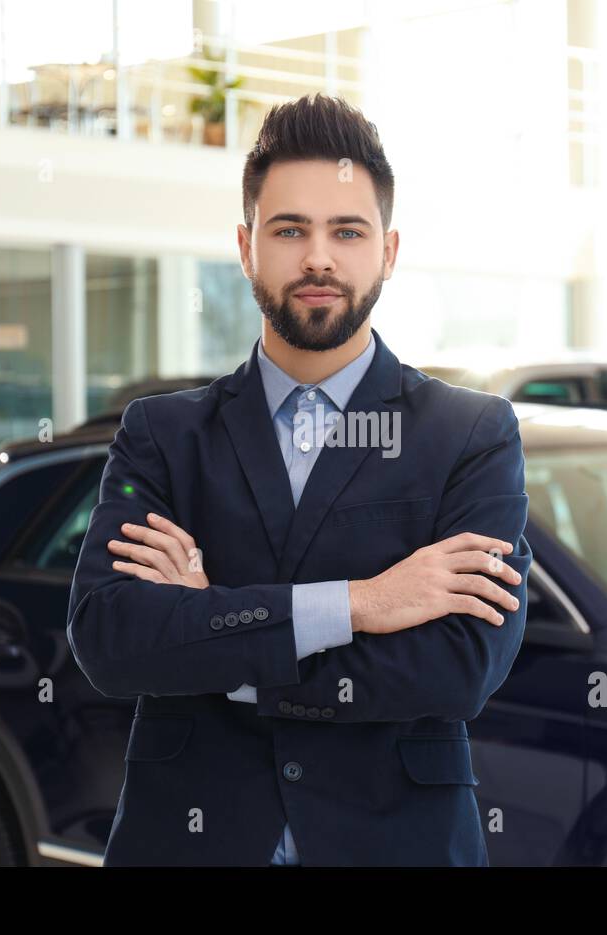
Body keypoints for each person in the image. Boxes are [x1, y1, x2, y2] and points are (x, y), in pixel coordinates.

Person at [66, 93, 532, 866]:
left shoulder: (469, 435)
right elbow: (113, 640)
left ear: (387, 250)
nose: (319, 257)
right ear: (248, 248)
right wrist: (365, 603)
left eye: (346, 231)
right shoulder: (164, 435)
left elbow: (459, 666)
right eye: (290, 230)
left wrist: (218, 635)